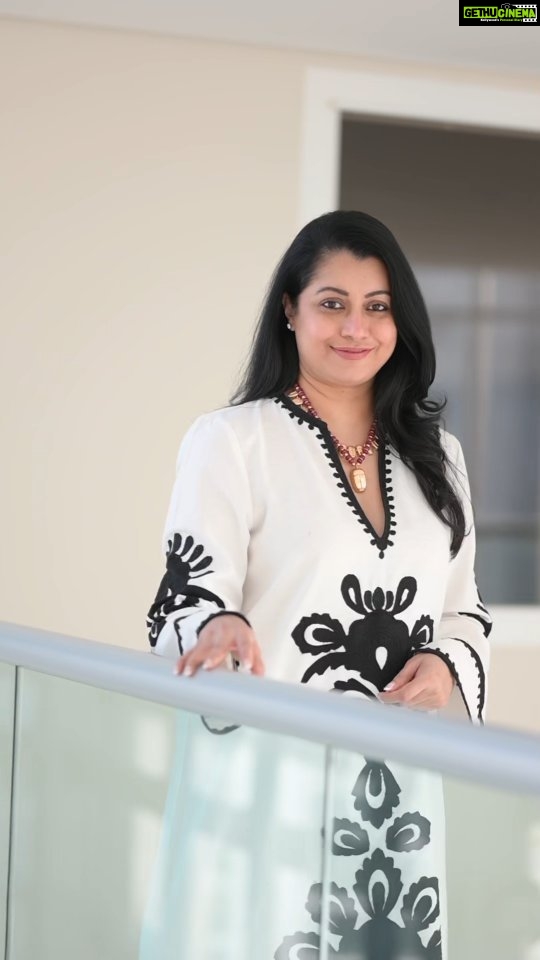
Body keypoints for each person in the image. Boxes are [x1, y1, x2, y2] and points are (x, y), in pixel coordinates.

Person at [141, 211, 491, 960]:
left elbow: (466, 611)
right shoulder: (233, 442)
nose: (355, 327)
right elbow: (186, 592)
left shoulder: (442, 457)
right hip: (268, 779)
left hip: (398, 792)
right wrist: (216, 627)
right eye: (332, 302)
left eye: (378, 306)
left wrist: (445, 664)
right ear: (290, 310)